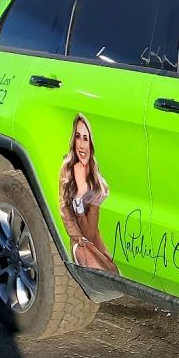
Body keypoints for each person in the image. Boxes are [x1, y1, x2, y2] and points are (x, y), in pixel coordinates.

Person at [58, 113, 119, 274]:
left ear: (91, 144)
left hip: (93, 242)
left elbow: (89, 231)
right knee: (82, 250)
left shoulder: (99, 185)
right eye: (78, 137)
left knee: (109, 269)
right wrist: (78, 195)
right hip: (79, 243)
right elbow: (64, 212)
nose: (81, 145)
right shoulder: (66, 168)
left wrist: (80, 194)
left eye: (86, 138)